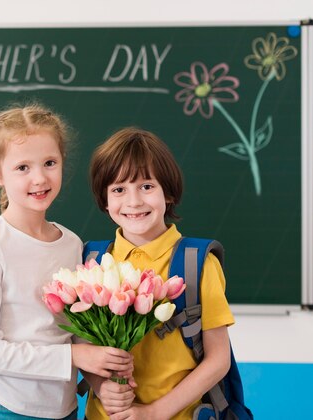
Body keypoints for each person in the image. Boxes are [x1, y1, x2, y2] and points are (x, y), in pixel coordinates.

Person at [0, 104, 134, 419]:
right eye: (22, 168)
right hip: (6, 407)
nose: (39, 178)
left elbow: (74, 328)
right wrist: (73, 356)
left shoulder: (70, 244)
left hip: (63, 408)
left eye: (49, 163)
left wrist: (99, 377)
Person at [84, 127, 234, 420]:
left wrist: (154, 412)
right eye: (118, 189)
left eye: (146, 186)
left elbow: (219, 360)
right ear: (104, 200)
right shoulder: (93, 261)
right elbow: (83, 346)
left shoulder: (197, 262)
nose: (134, 201)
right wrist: (100, 385)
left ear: (168, 191)